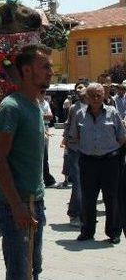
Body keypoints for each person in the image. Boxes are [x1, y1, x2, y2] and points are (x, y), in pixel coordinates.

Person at [0, 44, 53, 279]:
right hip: (16, 205)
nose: (50, 71)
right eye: (45, 66)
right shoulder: (12, 107)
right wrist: (16, 206)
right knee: (20, 273)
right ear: (27, 71)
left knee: (33, 270)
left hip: (34, 201)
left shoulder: (36, 105)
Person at [68, 83, 126, 244]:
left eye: (98, 95)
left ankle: (114, 232)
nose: (95, 98)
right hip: (88, 161)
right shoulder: (79, 114)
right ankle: (87, 231)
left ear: (103, 96)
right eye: (92, 95)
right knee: (88, 197)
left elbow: (122, 137)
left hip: (110, 161)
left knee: (111, 197)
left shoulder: (112, 113)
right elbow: (73, 137)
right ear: (86, 97)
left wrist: (113, 152)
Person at [62, 87, 87, 227]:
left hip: (88, 150)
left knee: (85, 183)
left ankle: (78, 212)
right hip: (75, 148)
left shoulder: (94, 106)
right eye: (78, 91)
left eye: (83, 90)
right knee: (77, 182)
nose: (80, 93)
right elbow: (68, 124)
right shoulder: (73, 107)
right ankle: (75, 215)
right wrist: (65, 141)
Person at [38, 91, 57, 187]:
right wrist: (42, 116)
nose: (43, 94)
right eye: (42, 92)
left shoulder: (45, 103)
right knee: (41, 156)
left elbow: (50, 116)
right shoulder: (34, 102)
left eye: (44, 92)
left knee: (45, 156)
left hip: (46, 128)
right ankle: (45, 178)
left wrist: (39, 116)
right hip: (38, 129)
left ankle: (46, 178)